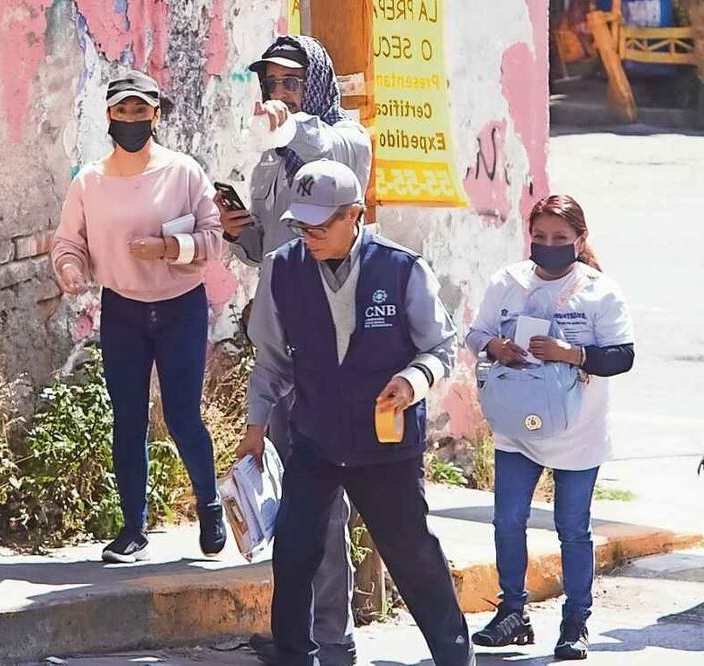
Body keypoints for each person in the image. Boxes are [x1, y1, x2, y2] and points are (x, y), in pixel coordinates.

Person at [236, 159, 474, 666]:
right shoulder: (282, 267)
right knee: (295, 554)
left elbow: (441, 347)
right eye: (302, 224)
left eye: (322, 225)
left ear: (355, 215)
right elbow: (273, 360)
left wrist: (412, 382)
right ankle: (297, 656)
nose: (310, 235)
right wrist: (255, 427)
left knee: (413, 557)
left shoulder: (402, 268)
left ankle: (455, 656)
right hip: (315, 439)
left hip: (385, 447)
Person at [217, 35, 372, 666]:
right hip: (282, 340)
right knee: (288, 499)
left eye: (290, 82)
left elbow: (320, 155)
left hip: (334, 346)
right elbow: (265, 249)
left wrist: (293, 127)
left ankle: (333, 637)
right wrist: (238, 230)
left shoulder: (343, 140)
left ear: (314, 85)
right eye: (270, 83)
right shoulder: (268, 163)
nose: (276, 94)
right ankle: (295, 631)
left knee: (325, 500)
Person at [51, 71, 227, 564]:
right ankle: (132, 529)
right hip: (123, 308)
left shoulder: (183, 171)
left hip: (180, 306)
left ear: (156, 114)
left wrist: (169, 247)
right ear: (109, 115)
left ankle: (209, 503)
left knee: (182, 416)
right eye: (122, 110)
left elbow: (214, 239)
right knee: (127, 419)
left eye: (140, 110)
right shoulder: (90, 180)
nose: (131, 118)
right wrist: (69, 267)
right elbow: (70, 241)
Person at [467, 195, 635, 661]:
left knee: (572, 529)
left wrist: (572, 354)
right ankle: (512, 614)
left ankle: (575, 621)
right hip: (515, 427)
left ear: (580, 241)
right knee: (508, 520)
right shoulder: (507, 282)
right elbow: (475, 333)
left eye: (560, 238)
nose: (548, 245)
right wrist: (495, 346)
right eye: (539, 236)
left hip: (577, 432)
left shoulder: (600, 291)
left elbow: (622, 356)